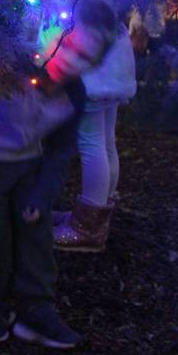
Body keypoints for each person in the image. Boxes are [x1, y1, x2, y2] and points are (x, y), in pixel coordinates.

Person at [0, 0, 118, 349]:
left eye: (83, 57)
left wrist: (43, 194)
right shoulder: (4, 67)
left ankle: (36, 310)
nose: (68, 60)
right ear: (53, 33)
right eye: (67, 46)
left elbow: (60, 150)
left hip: (30, 169)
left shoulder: (74, 95)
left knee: (36, 240)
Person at [53, 21, 136, 252]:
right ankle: (99, 216)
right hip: (112, 52)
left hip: (88, 55)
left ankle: (87, 228)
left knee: (92, 141)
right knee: (106, 140)